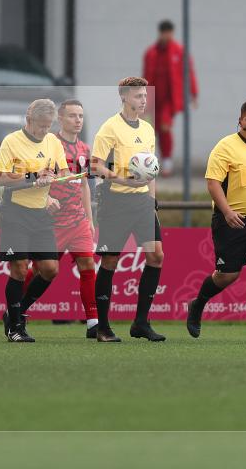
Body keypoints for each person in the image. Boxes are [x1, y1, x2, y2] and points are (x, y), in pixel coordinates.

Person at [186, 99, 246, 343]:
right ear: (240, 120)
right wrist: (227, 212)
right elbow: (213, 183)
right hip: (231, 221)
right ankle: (198, 304)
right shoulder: (225, 147)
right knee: (228, 275)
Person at [91, 77, 166, 343]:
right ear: (124, 97)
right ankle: (103, 327)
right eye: (137, 96)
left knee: (156, 256)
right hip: (116, 202)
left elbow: (151, 170)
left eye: (145, 95)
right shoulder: (109, 129)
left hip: (142, 203)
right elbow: (95, 166)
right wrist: (120, 179)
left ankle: (141, 323)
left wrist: (152, 201)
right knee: (110, 261)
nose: (143, 100)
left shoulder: (147, 129)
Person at [20, 99, 99, 338]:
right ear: (60, 118)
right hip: (52, 222)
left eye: (81, 116)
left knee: (87, 266)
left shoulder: (85, 149)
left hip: (78, 221)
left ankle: (93, 322)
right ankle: (17, 309)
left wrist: (89, 217)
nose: (78, 120)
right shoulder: (50, 144)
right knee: (44, 270)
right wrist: (45, 200)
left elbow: (84, 184)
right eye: (73, 116)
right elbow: (36, 178)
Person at [0, 99, 69, 343]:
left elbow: (63, 172)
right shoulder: (11, 141)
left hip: (40, 213)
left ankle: (15, 312)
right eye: (41, 126)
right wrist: (32, 176)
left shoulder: (53, 142)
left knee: (50, 269)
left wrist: (53, 178)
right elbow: (1, 178)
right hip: (15, 211)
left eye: (48, 126)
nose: (45, 131)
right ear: (29, 120)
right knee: (19, 268)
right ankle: (16, 327)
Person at [142, 20, 198, 177]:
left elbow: (189, 73)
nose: (166, 36)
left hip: (170, 99)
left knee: (165, 126)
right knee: (151, 130)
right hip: (153, 98)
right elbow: (145, 75)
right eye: (164, 32)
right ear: (160, 33)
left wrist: (193, 94)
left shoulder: (179, 51)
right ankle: (151, 162)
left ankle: (167, 160)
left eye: (169, 33)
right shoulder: (151, 53)